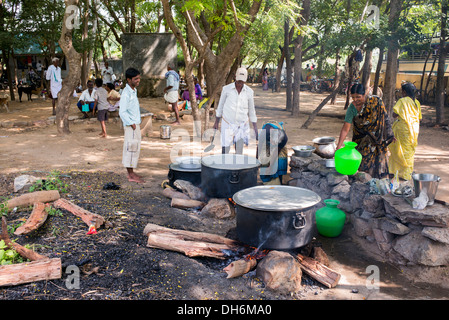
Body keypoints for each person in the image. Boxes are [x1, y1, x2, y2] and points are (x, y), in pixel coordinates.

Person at [336, 84, 394, 179]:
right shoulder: (352, 108)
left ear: (364, 94)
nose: (355, 100)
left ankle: (380, 186)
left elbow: (385, 117)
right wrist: (338, 146)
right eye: (353, 97)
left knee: (380, 165)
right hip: (361, 141)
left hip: (377, 140)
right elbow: (345, 128)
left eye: (358, 97)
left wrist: (390, 134)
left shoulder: (376, 101)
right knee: (363, 166)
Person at [214, 67, 258, 154]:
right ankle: (225, 166)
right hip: (227, 122)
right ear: (235, 77)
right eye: (238, 81)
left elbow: (252, 110)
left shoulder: (249, 92)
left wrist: (255, 128)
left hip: (241, 124)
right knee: (225, 149)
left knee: (239, 150)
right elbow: (220, 106)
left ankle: (237, 166)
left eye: (242, 82)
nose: (239, 84)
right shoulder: (226, 89)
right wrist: (216, 122)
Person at [388, 82, 422, 180]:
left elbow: (395, 114)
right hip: (414, 130)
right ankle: (406, 174)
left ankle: (393, 171)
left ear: (404, 92)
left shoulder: (402, 101)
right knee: (409, 151)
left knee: (397, 149)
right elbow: (419, 118)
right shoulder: (417, 102)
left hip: (402, 129)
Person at [119, 68, 144, 183]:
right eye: (135, 79)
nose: (138, 80)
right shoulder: (126, 93)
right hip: (131, 126)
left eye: (139, 78)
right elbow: (122, 111)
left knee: (135, 148)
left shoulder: (133, 90)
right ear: (129, 80)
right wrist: (132, 123)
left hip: (135, 124)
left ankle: (132, 172)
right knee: (130, 148)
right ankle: (130, 175)